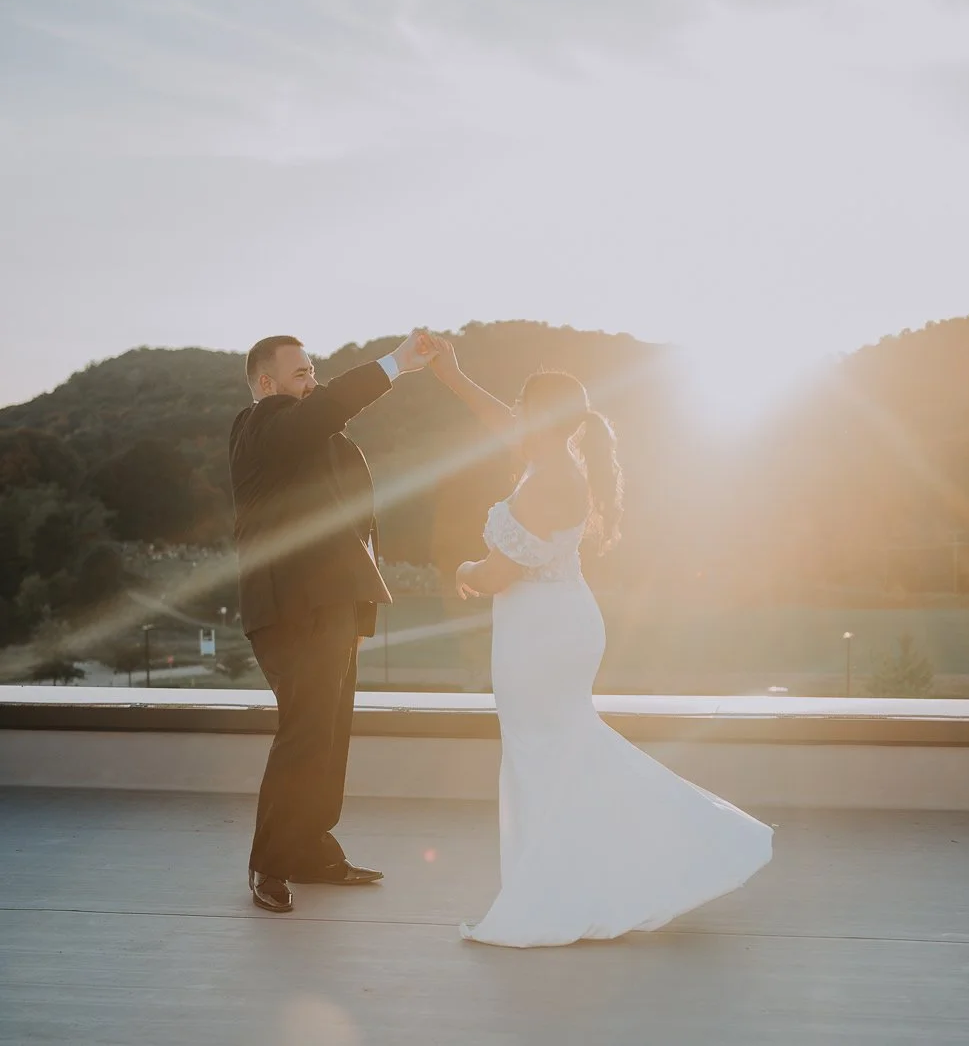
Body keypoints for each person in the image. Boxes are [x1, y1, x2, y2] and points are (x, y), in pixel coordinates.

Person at [429, 335, 773, 947]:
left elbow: (499, 574)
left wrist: (461, 572)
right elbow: (499, 420)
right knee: (560, 754)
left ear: (538, 414)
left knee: (541, 756)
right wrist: (452, 375)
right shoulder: (552, 456)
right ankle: (571, 879)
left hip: (540, 635)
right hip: (553, 626)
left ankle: (555, 894)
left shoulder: (544, 479)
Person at [229, 330, 435, 913]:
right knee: (304, 730)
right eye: (301, 375)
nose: (312, 382)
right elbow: (327, 409)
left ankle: (311, 850)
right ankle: (268, 863)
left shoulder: (319, 440)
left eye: (314, 371)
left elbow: (353, 511)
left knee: (329, 733)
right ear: (266, 385)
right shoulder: (258, 429)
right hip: (289, 607)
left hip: (335, 604)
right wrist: (396, 364)